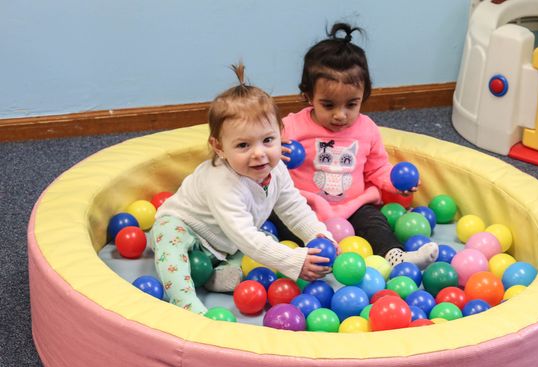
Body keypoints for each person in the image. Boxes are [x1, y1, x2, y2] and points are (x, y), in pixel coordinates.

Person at [151, 64, 333, 314]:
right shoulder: (221, 182)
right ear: (219, 148)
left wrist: (315, 234)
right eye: (243, 145)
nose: (259, 154)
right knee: (169, 239)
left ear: (281, 134)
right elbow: (245, 235)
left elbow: (292, 206)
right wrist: (294, 261)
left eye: (268, 140)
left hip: (228, 241)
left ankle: (216, 275)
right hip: (189, 228)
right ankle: (184, 300)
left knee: (267, 240)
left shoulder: (276, 170)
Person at [279, 22, 438, 269]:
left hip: (351, 207)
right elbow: (266, 152)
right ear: (309, 96)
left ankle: (396, 257)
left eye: (351, 104)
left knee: (375, 224)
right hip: (304, 206)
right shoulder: (291, 127)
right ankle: (293, 259)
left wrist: (396, 184)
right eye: (329, 105)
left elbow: (377, 169)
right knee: (281, 220)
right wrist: (274, 152)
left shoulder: (367, 129)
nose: (340, 115)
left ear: (363, 96)